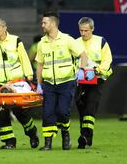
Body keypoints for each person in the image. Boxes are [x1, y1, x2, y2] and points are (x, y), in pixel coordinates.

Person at [35, 11, 88, 151]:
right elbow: (40, 65)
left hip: (66, 83)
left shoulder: (67, 39)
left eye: (44, 22)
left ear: (52, 24)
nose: (42, 25)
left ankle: (65, 134)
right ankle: (47, 143)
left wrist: (81, 71)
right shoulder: (42, 43)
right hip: (49, 84)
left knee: (63, 112)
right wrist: (38, 85)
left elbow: (83, 54)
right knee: (47, 113)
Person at [0, 18, 39, 149]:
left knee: (20, 113)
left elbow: (24, 58)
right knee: (1, 112)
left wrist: (29, 76)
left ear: (4, 28)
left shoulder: (16, 40)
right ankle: (9, 142)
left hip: (17, 82)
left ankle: (32, 133)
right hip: (1, 83)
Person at [75, 17, 113, 149]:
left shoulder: (100, 41)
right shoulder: (75, 43)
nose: (83, 33)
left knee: (90, 106)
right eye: (81, 30)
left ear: (92, 29)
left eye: (86, 30)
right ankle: (86, 138)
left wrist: (96, 71)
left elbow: (107, 61)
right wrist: (76, 72)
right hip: (80, 80)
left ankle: (85, 136)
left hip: (97, 79)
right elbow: (72, 61)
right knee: (82, 108)